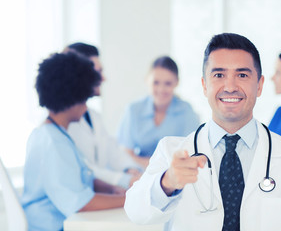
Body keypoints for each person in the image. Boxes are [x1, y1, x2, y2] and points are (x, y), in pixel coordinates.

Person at [124, 33, 281, 231]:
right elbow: (136, 212)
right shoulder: (171, 151)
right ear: (204, 85)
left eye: (242, 75)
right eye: (218, 74)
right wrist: (167, 182)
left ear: (260, 85)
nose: (230, 86)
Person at [22, 52, 126, 230]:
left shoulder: (50, 134)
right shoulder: (54, 144)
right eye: (84, 98)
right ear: (71, 98)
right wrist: (129, 200)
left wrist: (112, 189)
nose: (86, 106)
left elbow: (80, 180)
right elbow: (81, 202)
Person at [65, 42, 141, 189]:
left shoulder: (94, 116)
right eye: (98, 72)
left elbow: (113, 151)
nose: (103, 78)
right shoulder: (64, 122)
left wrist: (131, 170)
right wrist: (125, 180)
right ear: (81, 75)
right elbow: (83, 168)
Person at [117, 56, 199, 168]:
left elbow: (192, 153)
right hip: (140, 173)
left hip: (176, 174)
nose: (161, 89)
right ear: (147, 80)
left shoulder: (186, 111)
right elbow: (125, 154)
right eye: (156, 83)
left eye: (168, 83)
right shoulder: (133, 110)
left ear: (176, 83)